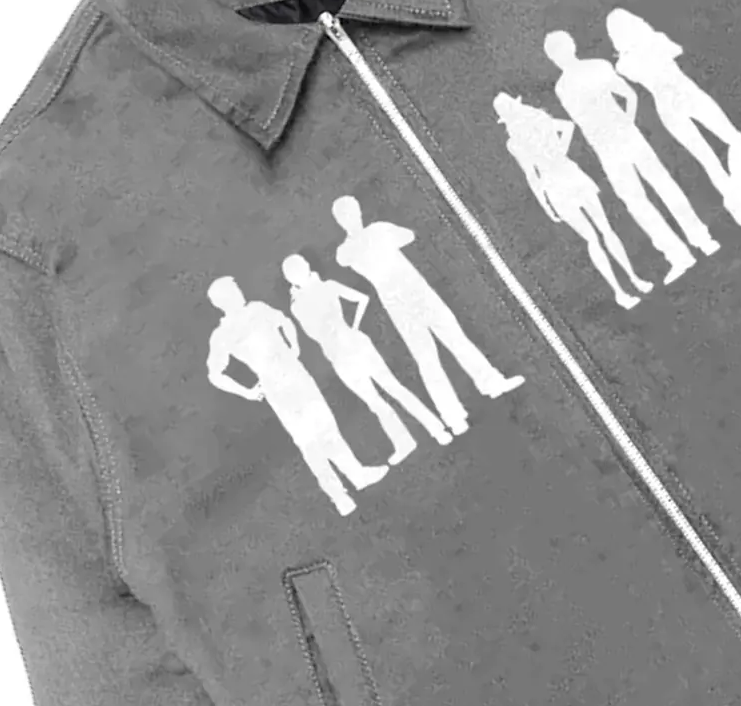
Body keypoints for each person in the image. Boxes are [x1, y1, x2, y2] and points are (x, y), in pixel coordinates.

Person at [332, 195, 525, 434]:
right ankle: (454, 415)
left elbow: (406, 236)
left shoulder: (364, 239)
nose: (353, 217)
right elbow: (405, 237)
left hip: (415, 293)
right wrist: (380, 240)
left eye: (354, 211)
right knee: (427, 356)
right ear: (341, 220)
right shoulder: (365, 239)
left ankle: (489, 384)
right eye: (348, 214)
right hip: (401, 300)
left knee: (453, 339)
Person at [543, 29, 719, 285]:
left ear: (571, 46)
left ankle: (702, 239)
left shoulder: (597, 67)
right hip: (606, 149)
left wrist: (627, 121)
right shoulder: (563, 87)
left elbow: (628, 94)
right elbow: (583, 121)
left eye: (561, 49)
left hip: (627, 138)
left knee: (663, 185)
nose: (560, 57)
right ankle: (678, 255)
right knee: (636, 201)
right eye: (555, 54)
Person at [205, 275, 388, 516]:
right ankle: (339, 497)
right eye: (234, 290)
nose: (239, 292)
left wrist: (294, 347)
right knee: (308, 442)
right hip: (277, 390)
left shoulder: (257, 309)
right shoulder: (223, 335)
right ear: (223, 300)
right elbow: (215, 374)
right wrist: (247, 392)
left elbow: (284, 321)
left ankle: (358, 475)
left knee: (326, 427)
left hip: (297, 376)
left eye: (237, 287)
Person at [281, 253, 452, 466]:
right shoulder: (325, 288)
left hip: (342, 356)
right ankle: (434, 431)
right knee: (391, 390)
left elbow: (316, 333)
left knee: (378, 400)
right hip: (354, 346)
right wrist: (353, 326)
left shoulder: (299, 305)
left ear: (292, 278)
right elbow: (362, 299)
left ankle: (411, 439)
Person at [607, 7, 741, 229]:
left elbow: (665, 57)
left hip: (670, 104)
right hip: (686, 94)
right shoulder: (652, 42)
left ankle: (740, 205)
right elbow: (676, 50)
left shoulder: (623, 64)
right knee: (729, 143)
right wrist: (650, 40)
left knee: (711, 157)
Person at [493, 91, 654, 308]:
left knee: (594, 238)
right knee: (604, 231)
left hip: (556, 185)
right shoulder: (538, 120)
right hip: (569, 174)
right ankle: (632, 281)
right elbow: (567, 127)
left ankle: (622, 290)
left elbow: (532, 175)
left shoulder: (515, 142)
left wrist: (546, 204)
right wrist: (561, 148)